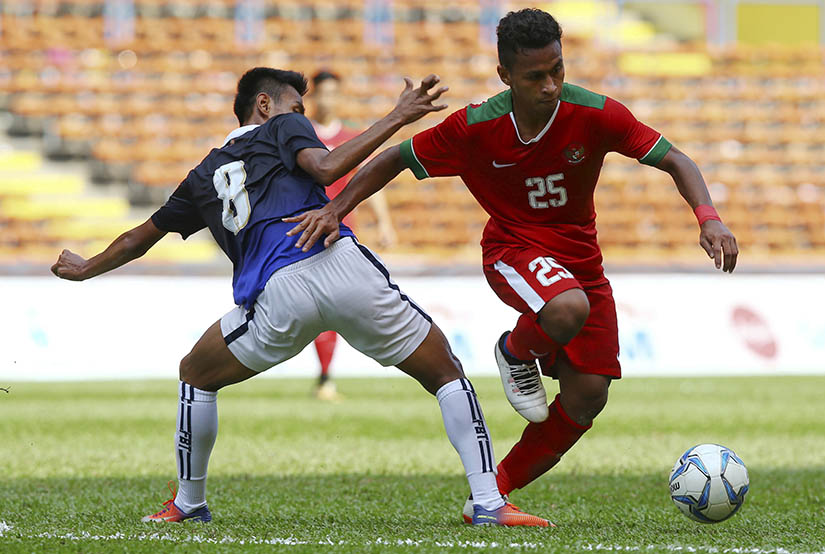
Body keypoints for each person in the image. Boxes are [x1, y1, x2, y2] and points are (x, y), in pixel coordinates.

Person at [284, 8, 740, 524]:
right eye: (535, 77)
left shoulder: (594, 112)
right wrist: (334, 209)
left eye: (558, 70)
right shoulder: (476, 126)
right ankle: (514, 351)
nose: (550, 86)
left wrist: (709, 218)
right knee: (567, 307)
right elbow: (394, 159)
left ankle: (493, 491)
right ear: (505, 76)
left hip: (582, 264)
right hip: (511, 251)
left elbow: (676, 158)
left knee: (588, 397)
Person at [51, 67, 551, 527]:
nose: (302, 117)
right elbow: (328, 168)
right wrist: (399, 115)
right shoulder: (281, 128)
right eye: (296, 107)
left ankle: (188, 502)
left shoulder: (203, 176)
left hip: (277, 296)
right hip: (339, 265)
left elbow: (142, 235)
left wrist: (86, 267)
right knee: (445, 370)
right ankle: (487, 500)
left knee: (195, 374)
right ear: (264, 105)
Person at [306, 69, 399, 401]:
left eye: (333, 93)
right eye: (322, 93)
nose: (328, 99)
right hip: (304, 233)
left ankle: (325, 376)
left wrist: (384, 223)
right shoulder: (301, 135)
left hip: (343, 235)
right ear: (312, 97)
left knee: (331, 306)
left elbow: (369, 181)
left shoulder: (351, 137)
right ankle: (322, 376)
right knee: (316, 306)